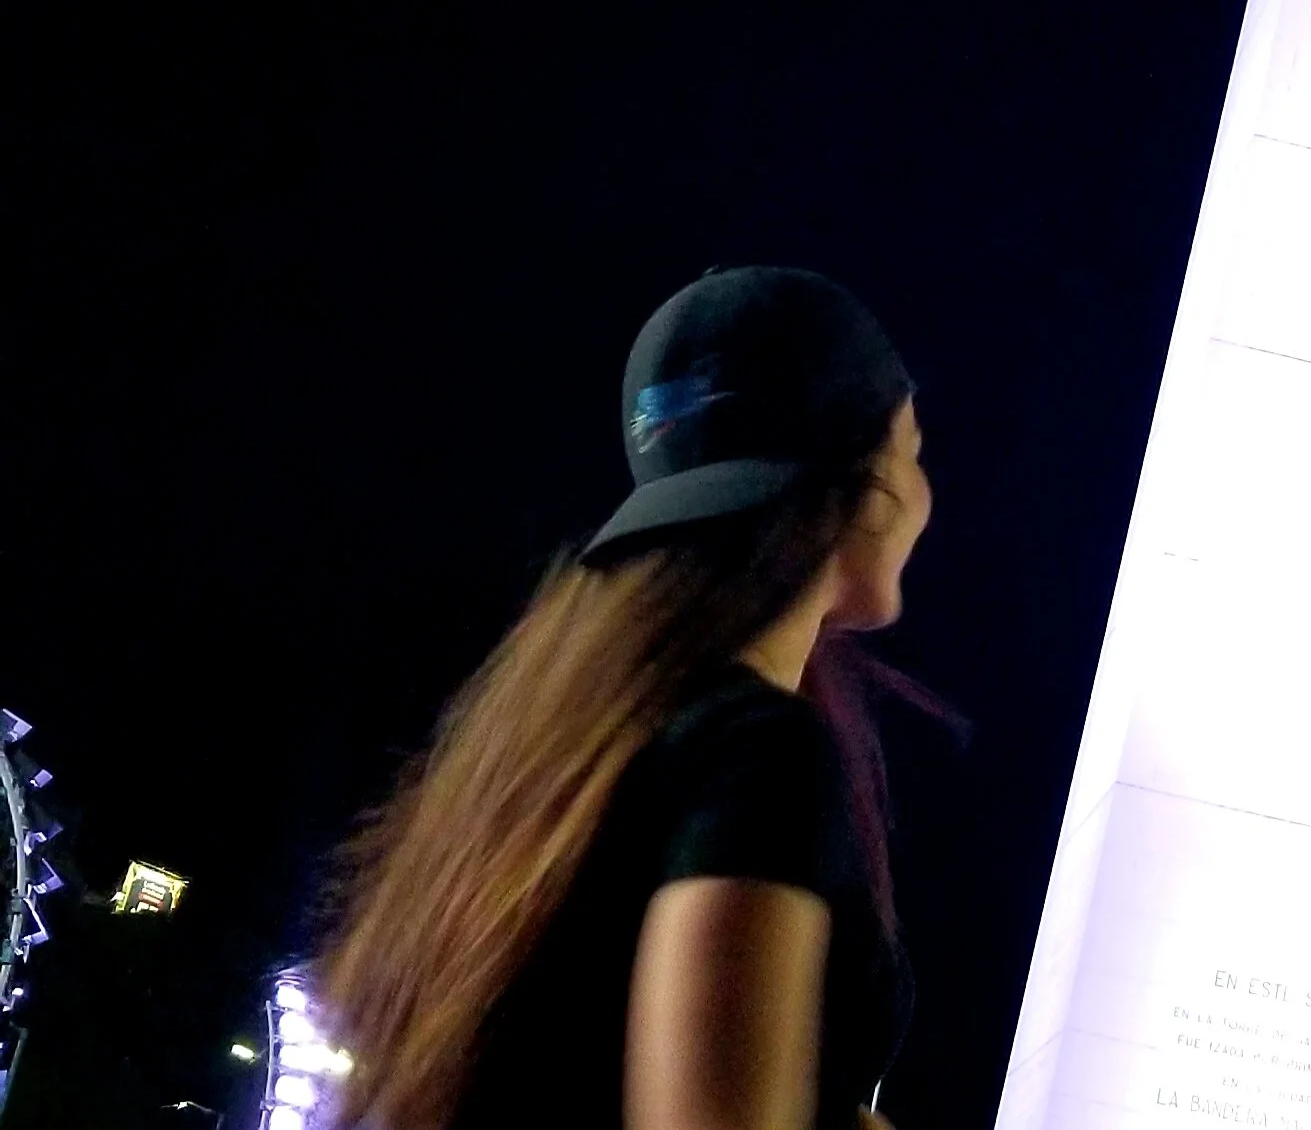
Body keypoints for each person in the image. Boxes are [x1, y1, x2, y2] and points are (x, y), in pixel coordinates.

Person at [319, 267, 937, 1130]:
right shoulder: (759, 752)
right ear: (869, 486)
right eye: (913, 449)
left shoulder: (562, 740)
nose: (924, 492)